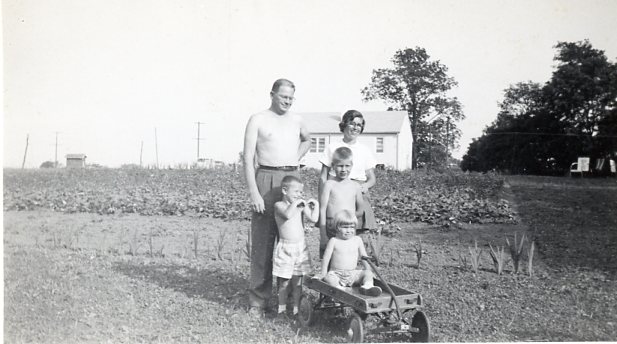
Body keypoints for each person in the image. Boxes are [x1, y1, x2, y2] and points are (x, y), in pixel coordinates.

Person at [243, 79, 311, 316]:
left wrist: (296, 157)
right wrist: (254, 192)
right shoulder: (258, 119)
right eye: (283, 97)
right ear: (272, 94)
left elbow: (307, 139)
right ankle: (258, 301)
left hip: (291, 178)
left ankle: (293, 300)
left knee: (292, 239)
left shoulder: (297, 120)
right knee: (262, 243)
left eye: (291, 98)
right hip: (265, 178)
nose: (287, 101)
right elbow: (248, 158)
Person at [318, 110, 378, 254]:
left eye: (359, 125)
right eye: (352, 124)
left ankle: (354, 268)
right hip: (336, 192)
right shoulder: (332, 147)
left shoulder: (364, 150)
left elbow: (372, 178)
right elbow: (323, 176)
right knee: (335, 231)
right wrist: (322, 200)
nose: (355, 127)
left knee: (357, 235)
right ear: (344, 125)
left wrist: (363, 186)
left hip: (357, 192)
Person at [272, 175, 319, 316]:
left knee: (298, 282)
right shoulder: (279, 205)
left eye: (301, 192)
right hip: (286, 248)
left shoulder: (298, 206)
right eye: (296, 192)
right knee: (284, 282)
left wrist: (315, 205)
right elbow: (287, 215)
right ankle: (281, 308)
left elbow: (313, 218)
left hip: (300, 247)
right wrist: (297, 203)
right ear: (285, 191)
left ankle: (296, 309)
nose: (300, 195)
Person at [316, 209, 382, 296]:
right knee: (329, 278)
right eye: (345, 227)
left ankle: (367, 287)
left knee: (368, 273)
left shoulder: (357, 240)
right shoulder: (334, 241)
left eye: (352, 227)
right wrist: (323, 273)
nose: (349, 230)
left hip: (352, 274)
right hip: (337, 274)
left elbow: (364, 257)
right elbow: (326, 258)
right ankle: (339, 289)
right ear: (337, 227)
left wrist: (368, 270)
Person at [319, 147, 364, 257]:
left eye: (347, 166)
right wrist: (323, 234)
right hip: (331, 226)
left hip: (348, 227)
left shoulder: (356, 186)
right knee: (329, 257)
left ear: (352, 165)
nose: (343, 169)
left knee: (346, 256)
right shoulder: (329, 184)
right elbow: (322, 209)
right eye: (340, 166)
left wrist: (348, 218)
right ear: (333, 166)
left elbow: (360, 210)